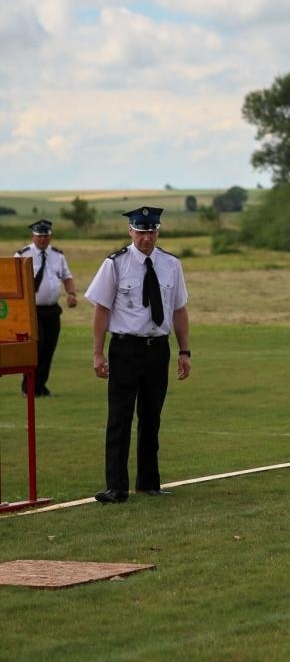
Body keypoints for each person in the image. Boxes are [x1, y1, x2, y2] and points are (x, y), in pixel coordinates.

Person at [85, 206, 191, 503]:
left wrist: (184, 351)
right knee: (120, 417)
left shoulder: (171, 264)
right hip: (125, 348)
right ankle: (116, 486)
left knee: (151, 417)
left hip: (157, 349)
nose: (147, 237)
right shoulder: (116, 264)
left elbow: (179, 309)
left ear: (158, 231)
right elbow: (101, 309)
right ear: (130, 231)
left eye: (152, 231)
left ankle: (149, 482)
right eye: (141, 231)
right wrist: (97, 353)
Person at [14, 219, 78, 396]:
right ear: (32, 236)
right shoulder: (22, 255)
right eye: (39, 236)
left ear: (50, 236)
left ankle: (40, 386)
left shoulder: (58, 255)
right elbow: (15, 282)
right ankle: (28, 386)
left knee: (49, 348)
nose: (42, 240)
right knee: (37, 347)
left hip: (52, 309)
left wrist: (72, 294)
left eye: (45, 236)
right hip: (32, 311)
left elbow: (67, 276)